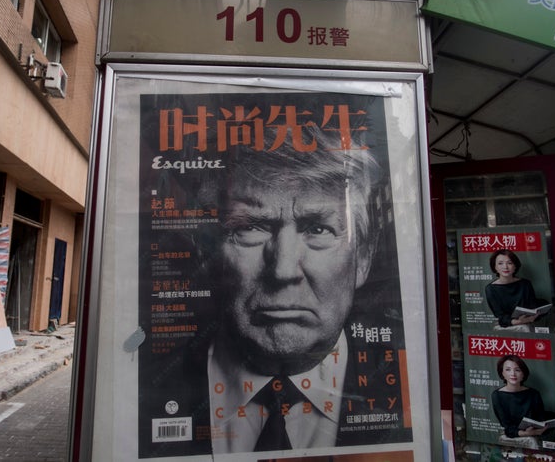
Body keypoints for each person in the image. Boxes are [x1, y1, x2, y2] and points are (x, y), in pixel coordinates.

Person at [139, 124, 411, 457]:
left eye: (318, 229)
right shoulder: (141, 392)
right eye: (250, 227)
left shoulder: (407, 383)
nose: (283, 271)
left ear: (364, 258)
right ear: (209, 255)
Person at [491, 355, 549, 448]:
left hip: (534, 433)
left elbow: (541, 418)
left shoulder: (534, 394)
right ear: (502, 373)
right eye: (508, 370)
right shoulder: (497, 395)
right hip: (513, 435)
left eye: (517, 370)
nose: (513, 374)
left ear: (523, 374)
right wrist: (526, 433)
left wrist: (537, 428)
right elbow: (507, 428)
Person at [485, 249, 540, 331]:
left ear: (515, 266)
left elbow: (532, 307)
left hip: (526, 322)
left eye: (509, 263)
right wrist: (518, 321)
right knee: (524, 328)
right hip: (506, 325)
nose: (505, 267)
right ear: (495, 267)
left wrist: (532, 316)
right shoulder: (490, 289)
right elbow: (501, 317)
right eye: (500, 263)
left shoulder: (525, 284)